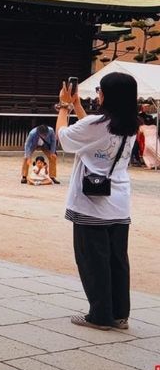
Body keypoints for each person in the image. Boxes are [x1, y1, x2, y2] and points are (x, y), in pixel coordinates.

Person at [56, 73, 139, 331]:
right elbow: (95, 134)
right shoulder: (130, 124)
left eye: (100, 91)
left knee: (92, 259)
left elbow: (66, 138)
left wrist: (64, 107)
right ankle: (119, 314)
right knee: (117, 259)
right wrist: (79, 106)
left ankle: (100, 315)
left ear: (106, 95)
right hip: (119, 200)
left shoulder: (96, 124)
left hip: (92, 203)